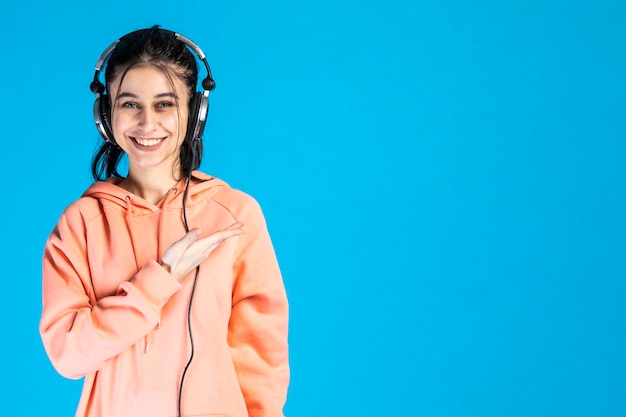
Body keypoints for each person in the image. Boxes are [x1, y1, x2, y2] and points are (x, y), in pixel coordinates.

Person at [39, 26, 289, 417]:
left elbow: (261, 356)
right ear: (106, 114)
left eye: (164, 104)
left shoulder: (235, 214)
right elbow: (69, 355)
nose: (146, 123)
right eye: (130, 104)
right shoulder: (81, 223)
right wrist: (160, 279)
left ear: (194, 112)